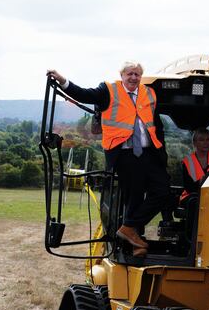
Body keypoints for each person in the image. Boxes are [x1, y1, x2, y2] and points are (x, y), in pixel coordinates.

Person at [46, 62, 171, 256]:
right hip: (124, 153)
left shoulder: (149, 93)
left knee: (163, 190)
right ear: (121, 75)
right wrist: (63, 81)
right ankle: (135, 243)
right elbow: (84, 95)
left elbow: (157, 125)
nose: (133, 78)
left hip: (149, 153)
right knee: (134, 195)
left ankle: (129, 227)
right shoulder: (108, 90)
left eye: (137, 75)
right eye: (129, 74)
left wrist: (162, 151)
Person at [180, 127, 209, 204]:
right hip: (192, 196)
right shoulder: (187, 161)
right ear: (195, 143)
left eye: (208, 139)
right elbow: (188, 187)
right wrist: (201, 182)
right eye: (202, 140)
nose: (206, 143)